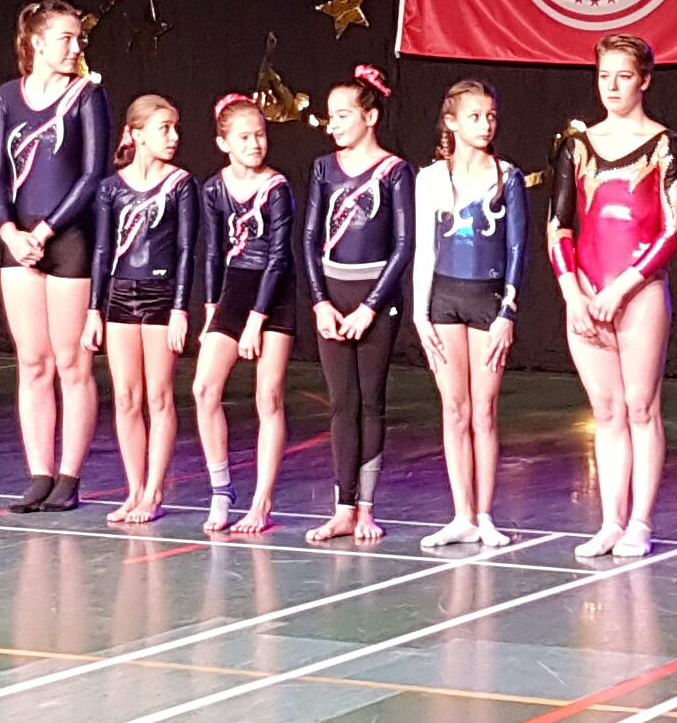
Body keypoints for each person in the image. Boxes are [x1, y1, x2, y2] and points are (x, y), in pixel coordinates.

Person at [548, 35, 677, 560]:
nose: (611, 87)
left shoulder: (668, 146)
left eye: (623, 76)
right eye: (604, 76)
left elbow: (673, 231)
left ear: (644, 80)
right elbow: (559, 224)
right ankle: (610, 520)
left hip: (638, 291)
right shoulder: (576, 146)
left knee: (640, 406)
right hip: (586, 293)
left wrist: (623, 286)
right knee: (606, 410)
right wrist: (572, 291)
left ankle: (640, 522)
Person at [0, 0, 111, 513]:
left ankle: (69, 475)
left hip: (67, 239)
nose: (76, 47)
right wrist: (8, 230)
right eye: (66, 38)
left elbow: (91, 174)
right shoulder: (6, 97)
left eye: (80, 38)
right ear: (37, 42)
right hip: (19, 242)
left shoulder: (87, 95)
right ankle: (39, 472)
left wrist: (44, 229)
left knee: (71, 363)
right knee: (32, 362)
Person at [413, 80, 528, 551]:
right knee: (455, 408)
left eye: (490, 116)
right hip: (444, 299)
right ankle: (461, 515)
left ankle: (485, 515)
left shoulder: (507, 177)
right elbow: (424, 250)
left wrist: (507, 312)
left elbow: (518, 249)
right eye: (475, 116)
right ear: (452, 122)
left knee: (484, 409)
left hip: (488, 299)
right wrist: (420, 316)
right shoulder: (430, 179)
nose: (485, 125)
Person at [301, 66, 413, 546]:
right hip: (333, 294)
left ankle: (366, 507)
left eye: (343, 115)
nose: (334, 125)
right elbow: (309, 238)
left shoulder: (394, 171)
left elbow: (404, 245)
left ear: (370, 116)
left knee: (370, 401)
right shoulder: (324, 169)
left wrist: (370, 306)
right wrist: (320, 302)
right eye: (330, 117)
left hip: (376, 298)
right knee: (341, 403)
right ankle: (341, 508)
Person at [83, 95, 197, 525]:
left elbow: (186, 249)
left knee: (158, 395)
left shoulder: (180, 184)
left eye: (175, 128)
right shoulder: (111, 188)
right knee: (126, 397)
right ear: (137, 134)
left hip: (161, 294)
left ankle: (154, 490)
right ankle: (134, 489)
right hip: (120, 295)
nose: (173, 136)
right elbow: (102, 250)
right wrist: (94, 310)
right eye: (164, 128)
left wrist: (180, 308)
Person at [192, 95, 295, 535]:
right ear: (224, 143)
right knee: (203, 389)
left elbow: (278, 256)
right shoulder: (214, 189)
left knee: (267, 396)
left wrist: (257, 319)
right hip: (234, 289)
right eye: (245, 138)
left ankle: (261, 502)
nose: (255, 144)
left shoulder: (277, 188)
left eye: (260, 135)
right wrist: (211, 310)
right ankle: (221, 490)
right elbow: (213, 251)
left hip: (273, 291)